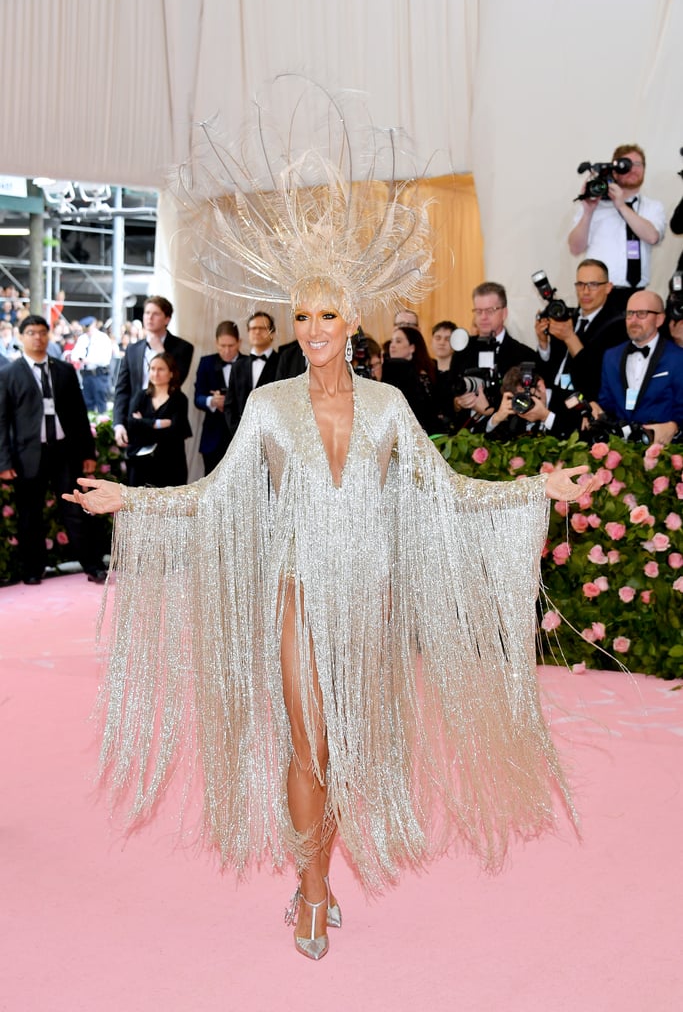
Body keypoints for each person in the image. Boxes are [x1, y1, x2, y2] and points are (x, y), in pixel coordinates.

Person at [64, 106, 589, 963]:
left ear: (352, 323)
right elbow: (214, 496)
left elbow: (447, 494)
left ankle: (318, 869)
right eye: (299, 316)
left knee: (346, 745)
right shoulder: (267, 407)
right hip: (298, 593)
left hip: (372, 599)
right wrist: (131, 498)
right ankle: (311, 888)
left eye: (326, 317)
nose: (310, 330)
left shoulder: (388, 406)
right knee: (306, 741)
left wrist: (538, 484)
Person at [0, 314, 106, 584]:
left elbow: (79, 415)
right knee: (29, 515)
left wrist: (87, 453)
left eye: (42, 332)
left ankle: (93, 566)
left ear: (49, 335)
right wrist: (4, 462)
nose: (38, 337)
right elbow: (2, 421)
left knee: (76, 509)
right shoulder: (8, 374)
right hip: (28, 455)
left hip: (64, 452)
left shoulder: (64, 370)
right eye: (32, 333)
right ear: (21, 337)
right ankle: (33, 571)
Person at [568, 144, 666, 311]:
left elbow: (652, 237)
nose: (633, 169)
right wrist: (588, 212)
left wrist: (621, 206)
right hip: (597, 294)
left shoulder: (653, 207)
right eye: (626, 164)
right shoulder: (594, 206)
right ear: (614, 170)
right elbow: (575, 247)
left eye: (638, 164)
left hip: (636, 296)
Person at [535, 259, 626, 405]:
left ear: (608, 287)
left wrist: (570, 337)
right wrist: (543, 344)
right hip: (550, 399)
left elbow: (594, 379)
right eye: (580, 284)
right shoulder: (567, 317)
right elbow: (547, 370)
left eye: (593, 285)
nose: (585, 291)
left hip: (584, 404)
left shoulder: (617, 326)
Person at [598, 290, 683, 445]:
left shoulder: (678, 358)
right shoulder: (610, 356)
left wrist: (674, 426)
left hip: (663, 451)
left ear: (659, 319)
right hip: (619, 452)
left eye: (642, 314)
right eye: (630, 313)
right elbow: (606, 404)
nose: (633, 320)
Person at [451, 282, 537, 432]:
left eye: (490, 311)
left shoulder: (524, 355)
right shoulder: (463, 351)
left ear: (504, 313)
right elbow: (446, 391)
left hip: (507, 439)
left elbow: (527, 404)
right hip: (464, 439)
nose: (483, 317)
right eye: (478, 311)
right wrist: (457, 402)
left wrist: (490, 411)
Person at [113, 296, 194, 450]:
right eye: (147, 313)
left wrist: (160, 351)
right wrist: (118, 424)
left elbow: (178, 380)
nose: (149, 318)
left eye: (155, 314)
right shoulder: (132, 349)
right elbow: (122, 390)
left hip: (168, 423)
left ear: (167, 319)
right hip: (137, 421)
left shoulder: (183, 348)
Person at [126, 353, 192, 486]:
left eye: (161, 369)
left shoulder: (179, 399)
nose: (155, 373)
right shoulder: (141, 396)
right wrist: (156, 424)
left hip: (170, 464)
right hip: (141, 464)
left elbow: (175, 431)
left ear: (171, 373)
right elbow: (131, 424)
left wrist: (143, 423)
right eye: (152, 368)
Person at [193, 320, 246, 474]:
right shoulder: (206, 363)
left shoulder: (248, 363)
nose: (227, 350)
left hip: (239, 436)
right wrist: (212, 401)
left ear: (239, 342)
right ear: (216, 343)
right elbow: (198, 398)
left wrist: (231, 402)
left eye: (231, 346)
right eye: (222, 346)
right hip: (212, 438)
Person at [485, 364, 584, 441]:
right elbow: (490, 444)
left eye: (525, 396)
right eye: (518, 399)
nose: (523, 403)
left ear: (540, 386)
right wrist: (497, 418)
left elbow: (579, 436)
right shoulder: (515, 407)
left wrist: (546, 417)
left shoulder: (570, 400)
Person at [225, 311, 279, 435]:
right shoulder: (237, 366)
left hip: (273, 436)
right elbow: (229, 405)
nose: (257, 332)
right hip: (240, 436)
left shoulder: (282, 362)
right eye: (253, 328)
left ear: (272, 333)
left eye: (262, 328)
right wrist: (238, 432)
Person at [382, 324, 438, 432]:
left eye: (398, 341)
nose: (392, 346)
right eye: (392, 341)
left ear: (412, 347)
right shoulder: (384, 370)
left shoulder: (424, 373)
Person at [69, 316, 114, 413]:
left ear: (94, 325)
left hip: (99, 374)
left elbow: (105, 358)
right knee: (88, 403)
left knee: (101, 403)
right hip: (87, 374)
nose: (87, 331)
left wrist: (89, 360)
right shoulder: (83, 338)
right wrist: (81, 358)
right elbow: (74, 354)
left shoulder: (102, 338)